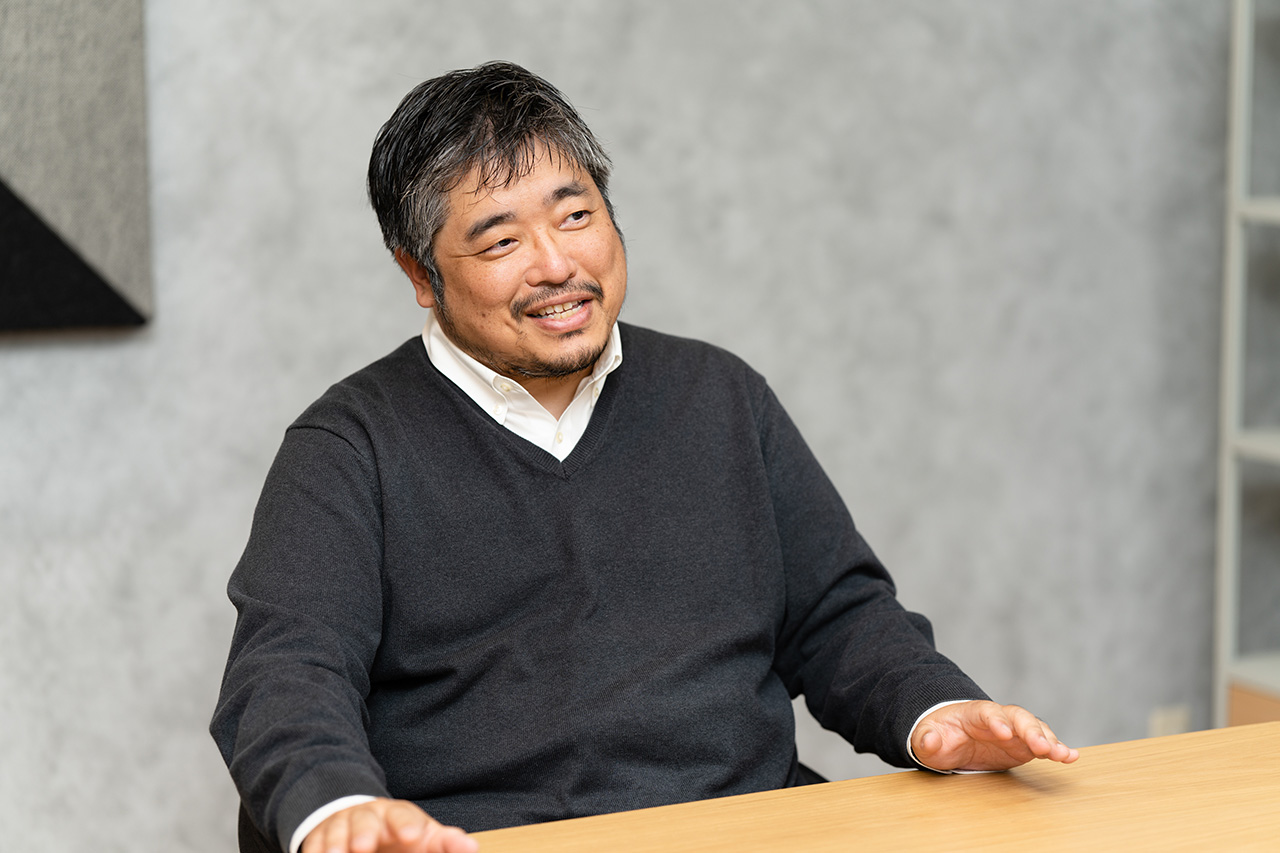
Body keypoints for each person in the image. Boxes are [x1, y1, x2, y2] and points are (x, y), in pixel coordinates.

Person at [211, 61, 1077, 853]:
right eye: (502, 240)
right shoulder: (349, 447)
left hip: (744, 825)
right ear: (418, 273)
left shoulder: (721, 396)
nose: (557, 264)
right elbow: (288, 672)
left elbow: (838, 616)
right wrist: (338, 807)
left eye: (576, 215)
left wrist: (934, 710)